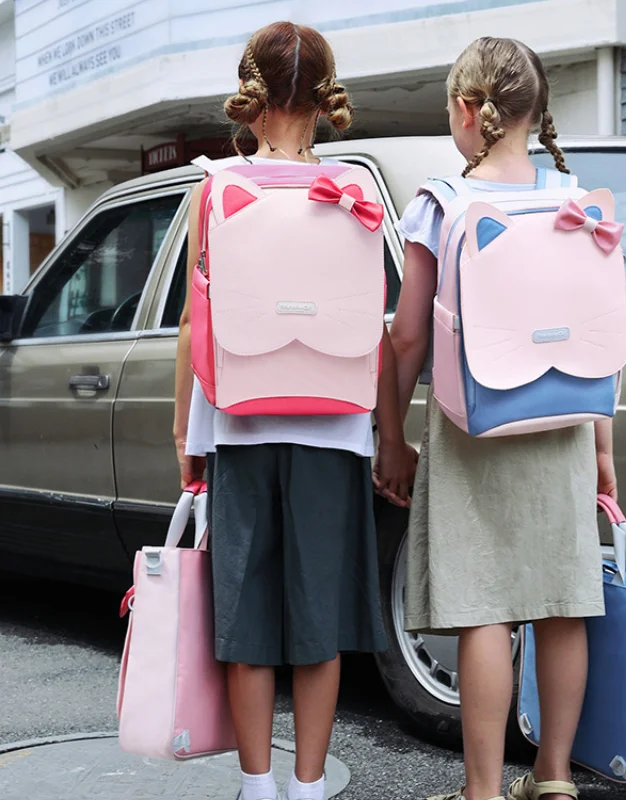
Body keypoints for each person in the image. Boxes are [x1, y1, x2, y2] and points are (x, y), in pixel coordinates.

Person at [172, 21, 413, 800]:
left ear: (251, 90)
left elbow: (190, 323)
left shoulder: (217, 186)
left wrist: (186, 435)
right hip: (334, 427)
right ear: (324, 95)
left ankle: (257, 785)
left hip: (239, 423)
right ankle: (309, 786)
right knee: (317, 621)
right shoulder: (356, 192)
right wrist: (389, 435)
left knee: (245, 619)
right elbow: (371, 326)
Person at [383, 37, 618, 800]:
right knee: (561, 603)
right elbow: (601, 338)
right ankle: (552, 779)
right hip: (565, 426)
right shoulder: (575, 201)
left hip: (471, 425)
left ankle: (481, 791)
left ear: (466, 109)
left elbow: (408, 337)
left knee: (484, 608)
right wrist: (604, 452)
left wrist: (392, 438)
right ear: (535, 112)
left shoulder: (441, 204)